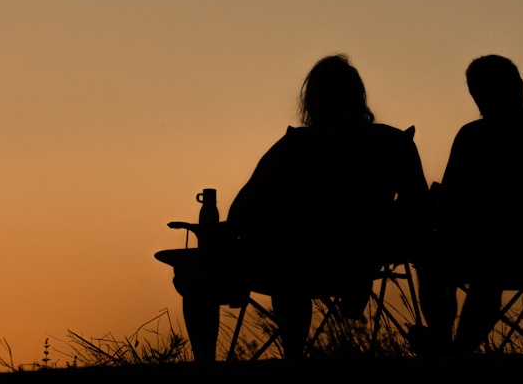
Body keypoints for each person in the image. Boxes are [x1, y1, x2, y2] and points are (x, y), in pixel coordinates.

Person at [181, 54, 429, 361]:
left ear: (311, 103)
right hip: (362, 260)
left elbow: (241, 209)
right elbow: (419, 210)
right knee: (289, 250)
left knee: (204, 269)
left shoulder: (294, 147)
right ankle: (441, 342)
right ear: (359, 97)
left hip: (293, 264)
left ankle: (219, 363)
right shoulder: (394, 143)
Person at [418, 54, 523, 353]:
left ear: (478, 98)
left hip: (495, 255)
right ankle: (451, 351)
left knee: (437, 250)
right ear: (520, 86)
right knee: (488, 250)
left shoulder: (473, 138)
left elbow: (449, 209)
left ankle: (448, 347)